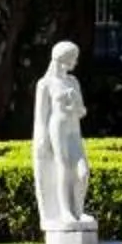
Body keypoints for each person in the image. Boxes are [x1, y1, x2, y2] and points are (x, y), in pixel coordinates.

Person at [31, 41, 92, 233]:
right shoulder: (45, 84)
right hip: (56, 128)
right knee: (63, 166)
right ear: (62, 59)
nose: (75, 61)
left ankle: (78, 210)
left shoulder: (73, 82)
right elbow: (40, 117)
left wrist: (74, 103)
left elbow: (82, 111)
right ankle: (65, 211)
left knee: (83, 172)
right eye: (73, 58)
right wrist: (41, 138)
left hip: (74, 128)